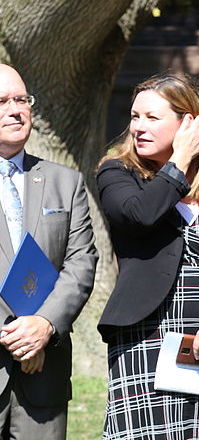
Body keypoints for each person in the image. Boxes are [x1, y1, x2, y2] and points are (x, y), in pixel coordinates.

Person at [96, 72, 199, 439]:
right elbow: (142, 215)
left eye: (152, 118)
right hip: (146, 338)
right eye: (134, 116)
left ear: (188, 122)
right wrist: (179, 161)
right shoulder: (117, 173)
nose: (138, 127)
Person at [0, 64, 98, 439]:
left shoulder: (65, 182)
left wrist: (44, 325)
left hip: (44, 377)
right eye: (3, 101)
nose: (16, 109)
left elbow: (82, 262)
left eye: (22, 99)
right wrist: (15, 337)